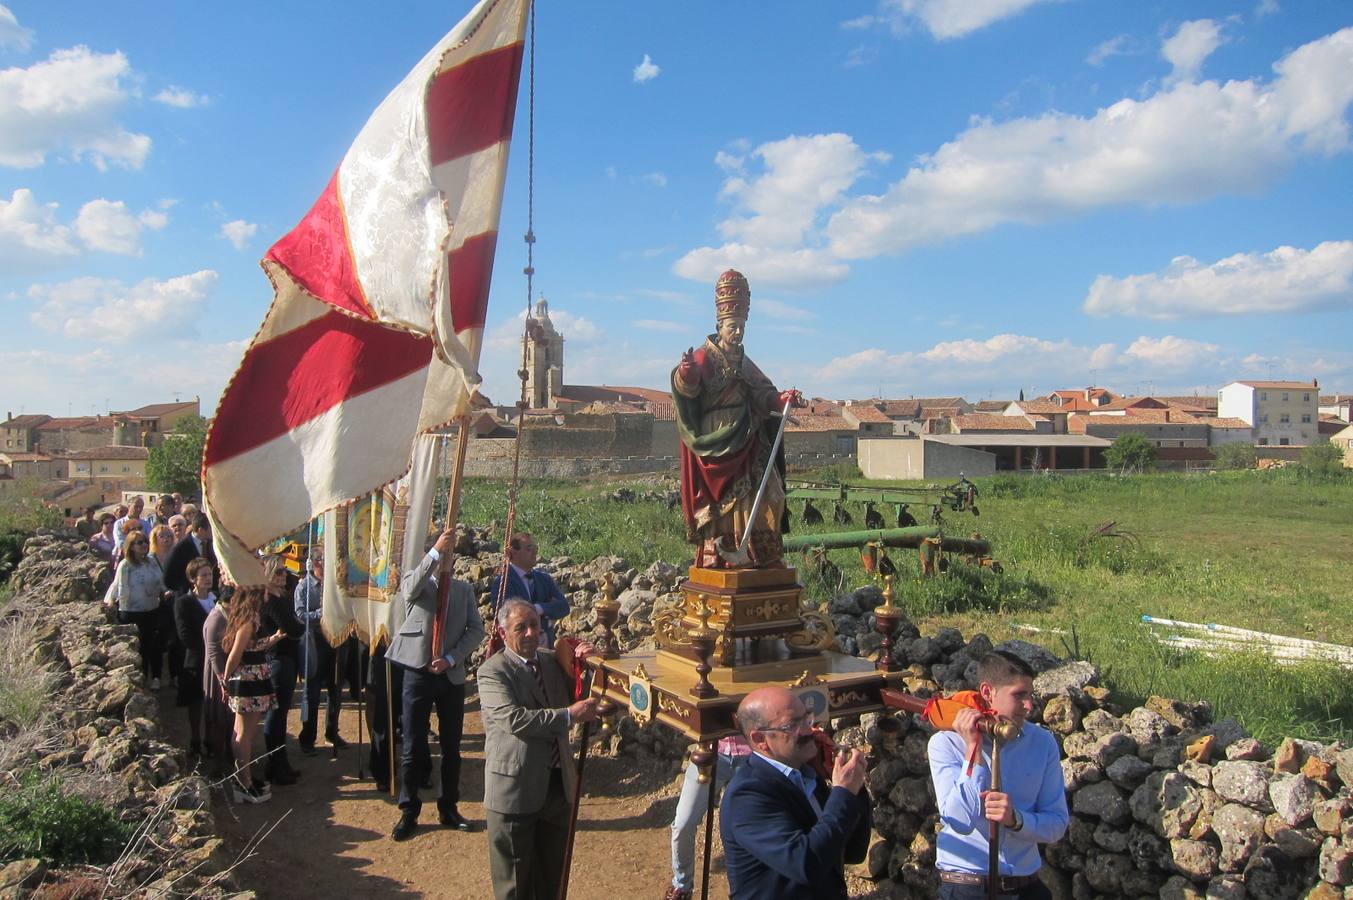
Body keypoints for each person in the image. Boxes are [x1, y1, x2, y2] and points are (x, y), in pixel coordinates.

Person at [672, 270, 802, 569]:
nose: (739, 332)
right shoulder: (705, 356)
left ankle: (762, 554)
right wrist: (686, 374)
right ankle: (722, 554)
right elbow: (685, 389)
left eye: (742, 326)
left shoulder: (744, 361)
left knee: (773, 492)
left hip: (747, 438)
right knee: (724, 508)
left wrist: (781, 399)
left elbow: (762, 392)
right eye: (733, 326)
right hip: (716, 436)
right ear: (720, 325)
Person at [479, 600, 599, 900]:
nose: (532, 633)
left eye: (534, 624)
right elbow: (515, 720)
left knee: (552, 878)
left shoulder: (550, 662)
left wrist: (588, 663)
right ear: (504, 633)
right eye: (521, 627)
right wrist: (569, 715)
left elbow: (581, 694)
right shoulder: (493, 672)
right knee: (516, 885)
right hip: (515, 791)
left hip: (557, 787)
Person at [928, 651, 1068, 899]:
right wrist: (973, 751)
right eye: (1019, 695)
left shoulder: (1042, 743)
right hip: (966, 887)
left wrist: (1017, 820)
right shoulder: (945, 743)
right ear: (987, 692)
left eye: (1030, 695)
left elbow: (1057, 823)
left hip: (1026, 886)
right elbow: (959, 820)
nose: (1028, 706)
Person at [719, 686, 871, 900]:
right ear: (760, 739)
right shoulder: (746, 796)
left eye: (807, 718)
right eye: (793, 725)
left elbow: (853, 850)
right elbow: (807, 864)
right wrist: (843, 793)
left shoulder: (808, 775)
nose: (809, 730)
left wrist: (853, 788)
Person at [386, 528, 486, 840]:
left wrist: (452, 658)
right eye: (444, 555)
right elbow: (409, 589)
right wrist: (434, 553)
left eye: (450, 556)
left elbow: (475, 630)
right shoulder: (416, 583)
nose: (448, 562)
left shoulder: (462, 590)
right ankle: (409, 809)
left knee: (451, 745)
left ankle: (448, 806)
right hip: (417, 671)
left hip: (449, 676)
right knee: (414, 743)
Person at [665, 733, 752, 900]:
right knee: (683, 823)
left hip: (752, 754)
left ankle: (746, 891)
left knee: (748, 831)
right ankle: (682, 886)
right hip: (708, 752)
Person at [221, 587, 284, 804]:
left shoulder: (249, 620)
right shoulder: (248, 623)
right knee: (244, 733)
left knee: (242, 732)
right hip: (249, 682)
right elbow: (235, 655)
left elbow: (251, 647)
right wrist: (225, 679)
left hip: (253, 679)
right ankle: (243, 782)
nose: (268, 595)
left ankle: (243, 778)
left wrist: (273, 639)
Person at [294, 547, 348, 755]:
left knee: (336, 691)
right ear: (314, 562)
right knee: (313, 692)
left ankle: (332, 732)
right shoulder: (304, 587)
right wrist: (322, 613)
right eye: (321, 559)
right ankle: (307, 738)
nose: (324, 563)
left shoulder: (336, 585)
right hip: (315, 642)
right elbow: (299, 614)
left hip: (336, 641)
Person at [259, 554, 306, 785]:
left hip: (287, 657)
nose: (284, 574)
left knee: (282, 713)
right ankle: (275, 764)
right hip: (277, 660)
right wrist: (296, 626)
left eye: (284, 570)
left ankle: (280, 761)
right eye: (278, 571)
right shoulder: (270, 601)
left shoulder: (282, 596)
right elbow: (293, 629)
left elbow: (293, 627)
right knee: (276, 714)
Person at [104, 530, 170, 689]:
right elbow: (118, 585)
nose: (144, 545)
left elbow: (161, 580)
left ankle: (156, 677)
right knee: (138, 647)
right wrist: (111, 602)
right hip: (131, 612)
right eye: (139, 542)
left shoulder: (152, 561)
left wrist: (165, 591)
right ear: (131, 546)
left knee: (153, 645)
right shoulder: (125, 565)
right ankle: (140, 679)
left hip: (152, 609)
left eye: (145, 541)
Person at [488, 532, 569, 648]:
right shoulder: (503, 583)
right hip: (518, 651)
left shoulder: (544, 579)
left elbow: (564, 607)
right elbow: (510, 617)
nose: (535, 552)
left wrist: (539, 608)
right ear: (513, 552)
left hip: (547, 650)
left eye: (536, 548)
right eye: (529, 548)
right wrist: (547, 615)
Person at [174, 558, 216, 757]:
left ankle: (210, 740)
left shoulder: (215, 599)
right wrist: (210, 647)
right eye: (204, 576)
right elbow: (185, 635)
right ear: (193, 579)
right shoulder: (184, 603)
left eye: (210, 574)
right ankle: (195, 739)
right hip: (196, 660)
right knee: (196, 703)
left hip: (215, 659)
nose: (208, 579)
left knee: (213, 703)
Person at [203, 587, 235, 771]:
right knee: (219, 719)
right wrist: (223, 679)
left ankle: (229, 756)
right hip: (218, 675)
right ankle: (219, 761)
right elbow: (213, 652)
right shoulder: (216, 619)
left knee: (228, 719)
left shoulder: (225, 616)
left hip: (226, 672)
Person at [164, 513, 217, 595]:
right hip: (189, 598)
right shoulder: (180, 549)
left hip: (210, 597)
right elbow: (169, 579)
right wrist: (186, 590)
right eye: (211, 528)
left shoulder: (213, 545)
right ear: (201, 530)